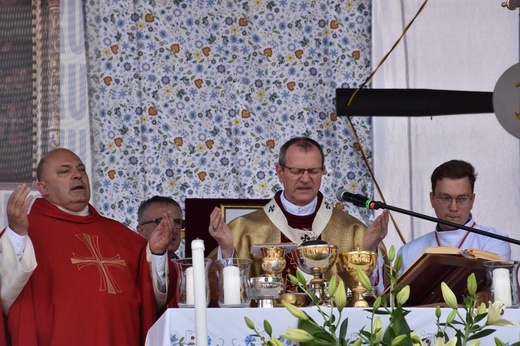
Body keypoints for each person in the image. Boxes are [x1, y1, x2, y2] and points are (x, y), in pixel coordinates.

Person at [3, 148, 174, 346]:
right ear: (43, 188)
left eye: (81, 169)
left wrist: (157, 253)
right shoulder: (26, 233)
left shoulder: (124, 238)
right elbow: (7, 293)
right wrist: (15, 235)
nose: (77, 175)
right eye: (64, 171)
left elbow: (152, 300)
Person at [208, 137, 389, 297]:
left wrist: (370, 250)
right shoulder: (243, 229)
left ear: (323, 171)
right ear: (280, 172)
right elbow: (220, 293)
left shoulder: (353, 231)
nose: (305, 179)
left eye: (313, 171)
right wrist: (226, 251)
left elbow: (380, 294)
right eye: (296, 171)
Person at [398, 160, 512, 271]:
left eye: (462, 199)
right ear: (432, 199)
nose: (453, 208)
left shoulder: (493, 242)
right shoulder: (408, 252)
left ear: (472, 200)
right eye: (445, 198)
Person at [137, 195, 183, 310]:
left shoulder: (188, 270)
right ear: (141, 231)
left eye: (176, 222)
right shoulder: (133, 268)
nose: (171, 229)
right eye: (161, 221)